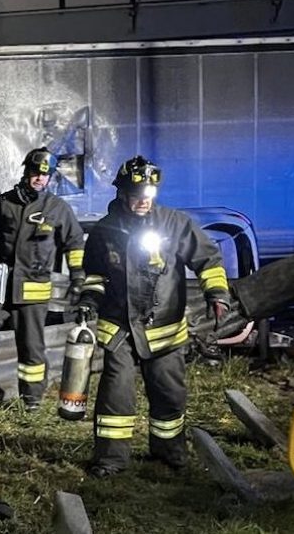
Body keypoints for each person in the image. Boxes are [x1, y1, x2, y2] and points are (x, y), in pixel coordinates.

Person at [78, 156, 231, 477]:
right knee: (116, 397)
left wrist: (217, 295)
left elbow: (208, 261)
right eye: (137, 193)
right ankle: (110, 461)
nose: (144, 200)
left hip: (165, 331)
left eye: (149, 193)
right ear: (122, 193)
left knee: (169, 395)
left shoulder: (175, 224)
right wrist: (89, 300)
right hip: (119, 330)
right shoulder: (105, 232)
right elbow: (94, 275)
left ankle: (169, 454)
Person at [0, 147, 85, 411]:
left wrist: (78, 275)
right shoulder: (5, 203)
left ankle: (31, 402)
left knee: (32, 351)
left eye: (45, 176)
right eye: (36, 173)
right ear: (26, 171)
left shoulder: (57, 209)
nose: (40, 179)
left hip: (32, 293)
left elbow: (74, 243)